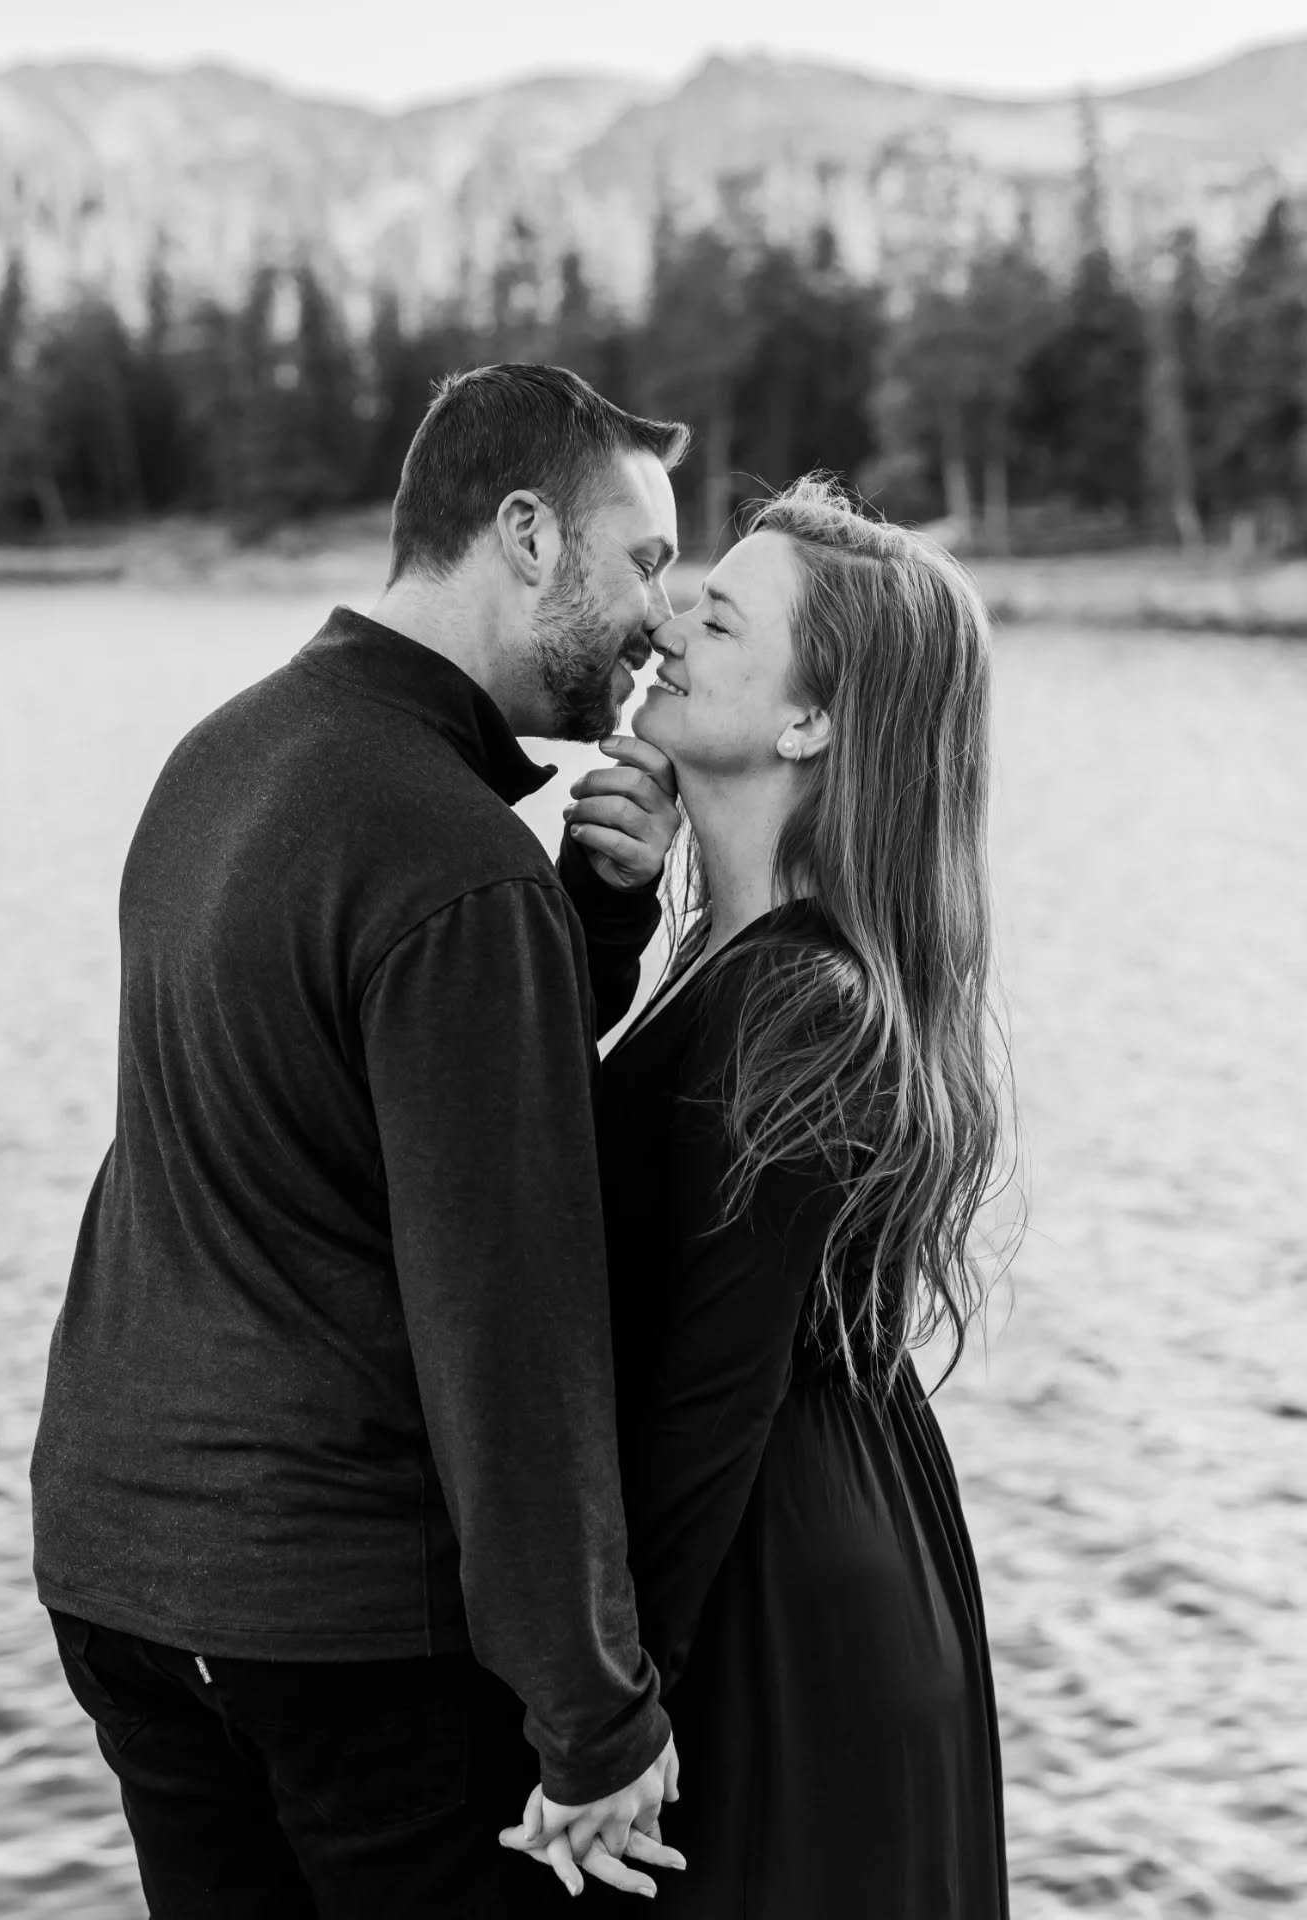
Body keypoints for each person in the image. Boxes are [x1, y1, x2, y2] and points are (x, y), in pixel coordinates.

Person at [30, 364, 694, 1917]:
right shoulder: (454, 865)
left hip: (122, 1577)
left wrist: (584, 925)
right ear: (528, 536)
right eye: (647, 559)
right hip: (332, 1620)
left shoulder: (230, 757)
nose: (663, 620)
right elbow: (510, 1329)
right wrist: (597, 1716)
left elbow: (347, 1112)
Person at [505, 476, 1015, 1915]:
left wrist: (608, 1721)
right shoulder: (741, 962)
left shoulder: (806, 1000)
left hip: (780, 1593)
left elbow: (707, 1386)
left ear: (809, 723)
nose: (668, 618)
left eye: (720, 615)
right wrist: (604, 912)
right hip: (783, 1548)